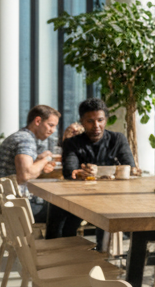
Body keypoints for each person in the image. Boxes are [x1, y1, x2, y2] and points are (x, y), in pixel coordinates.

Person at [56, 97, 137, 239]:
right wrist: (80, 173)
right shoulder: (72, 143)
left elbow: (130, 167)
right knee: (60, 213)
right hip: (79, 200)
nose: (96, 125)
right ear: (81, 121)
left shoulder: (117, 139)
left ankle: (108, 250)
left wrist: (98, 172)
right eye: (90, 121)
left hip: (114, 198)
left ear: (106, 119)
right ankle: (60, 249)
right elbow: (69, 172)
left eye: (100, 120)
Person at [0, 106, 61, 223]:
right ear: (37, 121)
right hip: (15, 206)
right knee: (63, 209)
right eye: (51, 125)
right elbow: (25, 175)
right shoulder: (26, 139)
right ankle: (57, 241)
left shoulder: (19, 136)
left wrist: (38, 161)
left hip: (5, 203)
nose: (53, 130)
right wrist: (46, 159)